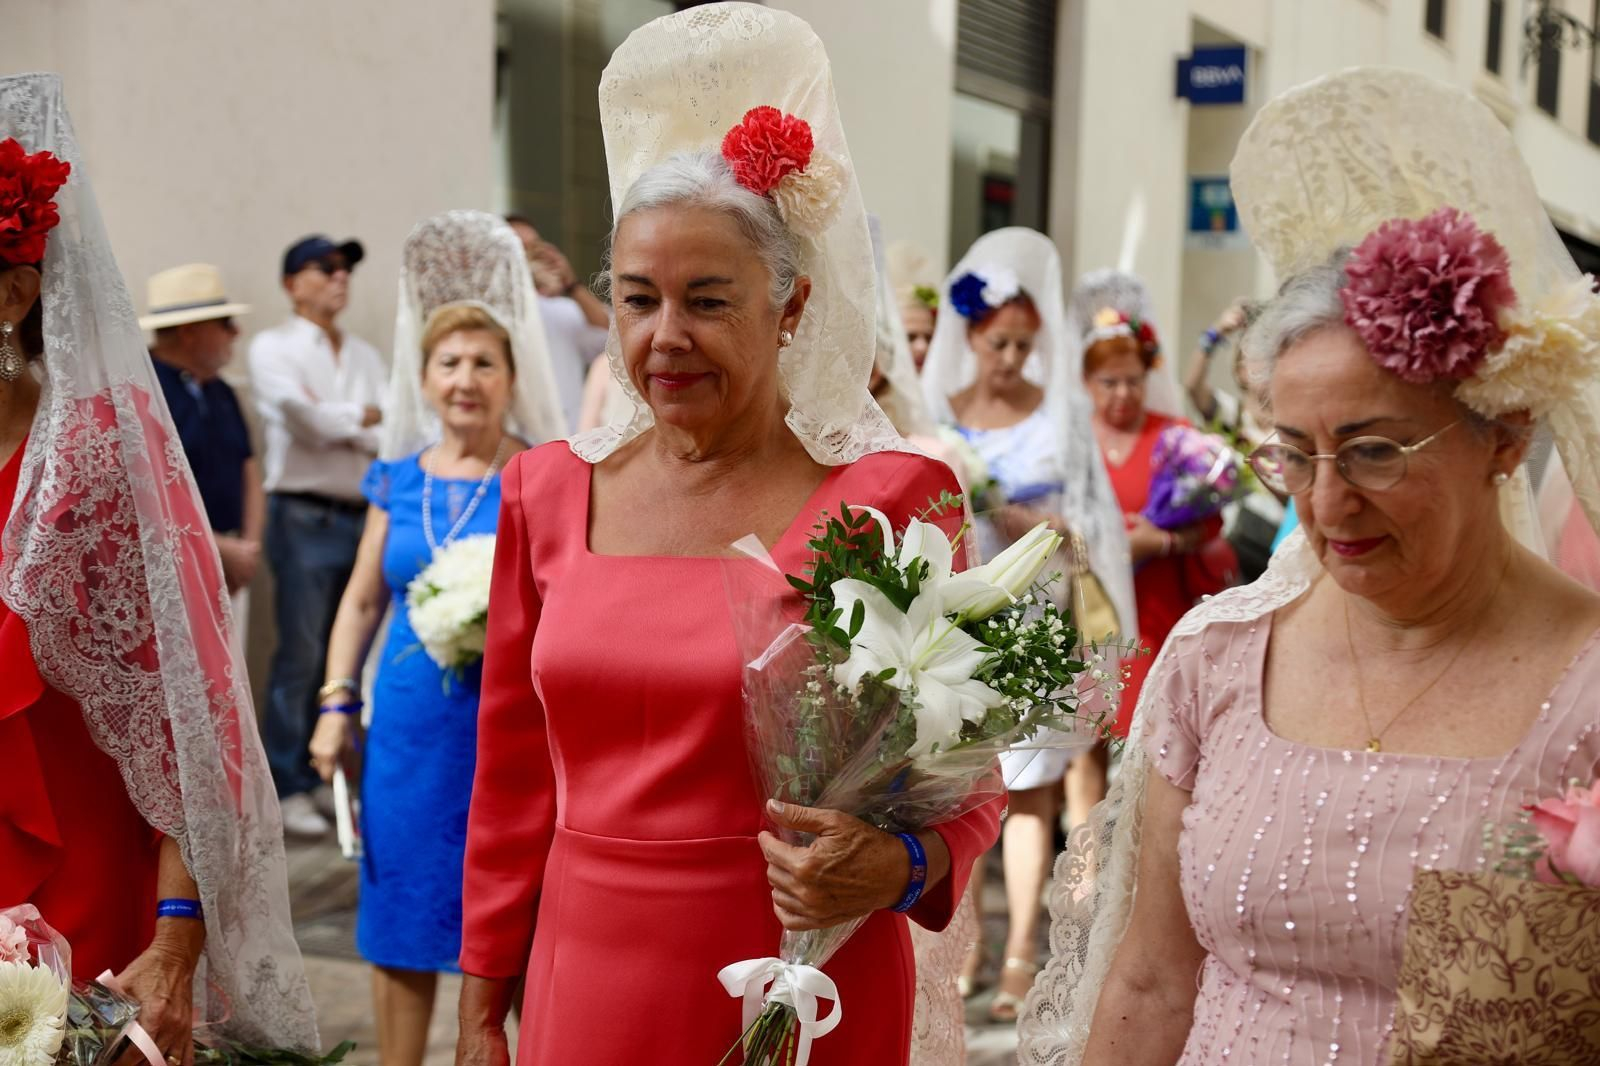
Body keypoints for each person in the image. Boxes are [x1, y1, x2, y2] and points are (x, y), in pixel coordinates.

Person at [1021, 67, 1600, 1065]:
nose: (1326, 503)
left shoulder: (1584, 683)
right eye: (1293, 452)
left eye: (1374, 449)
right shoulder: (1217, 661)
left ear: (1502, 435)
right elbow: (1154, 980)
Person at [455, 8, 1001, 1064]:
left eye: (708, 300)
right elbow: (511, 772)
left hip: (800, 967)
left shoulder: (893, 497)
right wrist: (481, 992)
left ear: (790, 303)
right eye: (637, 298)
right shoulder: (547, 490)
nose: (667, 337)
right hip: (587, 969)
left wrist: (900, 866)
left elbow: (964, 772)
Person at [0, 71, 317, 1058]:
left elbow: (193, 707)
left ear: (15, 288)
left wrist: (179, 935)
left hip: (90, 894)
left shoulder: (94, 447)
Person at [308, 210, 562, 1066]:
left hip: (511, 727)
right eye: (449, 363)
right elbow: (357, 604)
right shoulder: (396, 480)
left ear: (510, 377)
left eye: (484, 363)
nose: (466, 379)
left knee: (514, 914)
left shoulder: (539, 477)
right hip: (412, 730)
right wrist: (337, 700)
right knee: (403, 913)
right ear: (424, 378)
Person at [920, 228, 1133, 1024]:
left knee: (1029, 791)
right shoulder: (939, 417)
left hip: (1037, 619)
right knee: (958, 787)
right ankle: (964, 939)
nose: (1009, 358)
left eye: (1022, 344)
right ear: (970, 338)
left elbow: (1090, 531)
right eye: (996, 342)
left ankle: (1018, 956)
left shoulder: (1061, 419)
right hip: (960, 621)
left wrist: (1033, 521)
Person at [249, 233, 387, 837]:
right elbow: (304, 420)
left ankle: (331, 774)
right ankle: (289, 783)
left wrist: (344, 423)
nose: (339, 278)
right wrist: (361, 418)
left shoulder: (362, 353)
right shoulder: (271, 347)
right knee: (301, 654)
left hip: (360, 512)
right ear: (290, 282)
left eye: (344, 269)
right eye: (323, 268)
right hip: (301, 516)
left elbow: (393, 429)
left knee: (349, 652)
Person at [1082, 306, 1235, 735]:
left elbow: (1212, 524)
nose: (1123, 394)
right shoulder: (1072, 441)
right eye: (1109, 383)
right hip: (1086, 602)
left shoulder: (1174, 436)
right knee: (1083, 728)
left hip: (1154, 604)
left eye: (1134, 381)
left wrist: (1161, 542)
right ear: (1086, 382)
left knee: (1142, 728)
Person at [140, 264, 263, 604]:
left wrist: (248, 548)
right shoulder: (143, 392)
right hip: (173, 563)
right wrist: (218, 547)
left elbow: (248, 468)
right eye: (224, 324)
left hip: (232, 560)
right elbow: (146, 490)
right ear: (189, 332)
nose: (235, 332)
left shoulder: (221, 390)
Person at [1184, 299, 1286, 582]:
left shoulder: (1289, 425)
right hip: (1229, 539)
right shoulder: (1231, 414)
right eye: (1249, 361)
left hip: (1274, 542)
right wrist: (1215, 333)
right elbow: (1192, 386)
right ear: (1239, 371)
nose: (1258, 368)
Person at [507, 215, 609, 431]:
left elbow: (611, 338)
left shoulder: (563, 309)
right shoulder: (488, 312)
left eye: (533, 247)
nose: (527, 256)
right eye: (517, 247)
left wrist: (571, 285)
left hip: (565, 435)